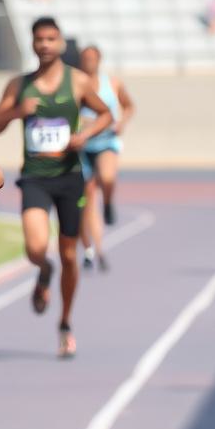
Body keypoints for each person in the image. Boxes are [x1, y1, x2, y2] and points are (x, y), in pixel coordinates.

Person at [0, 18, 113, 362]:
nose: (45, 44)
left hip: (69, 176)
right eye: (39, 39)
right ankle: (44, 269)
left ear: (59, 44)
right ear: (32, 43)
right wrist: (16, 112)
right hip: (35, 178)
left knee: (70, 254)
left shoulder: (78, 82)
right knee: (36, 247)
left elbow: (105, 115)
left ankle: (65, 323)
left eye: (51, 39)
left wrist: (84, 137)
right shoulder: (19, 85)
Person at [74, 44, 132, 265]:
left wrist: (121, 123)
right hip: (83, 145)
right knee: (86, 200)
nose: (88, 62)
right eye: (85, 58)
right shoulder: (76, 84)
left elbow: (129, 106)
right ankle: (93, 249)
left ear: (99, 60)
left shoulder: (113, 84)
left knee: (108, 178)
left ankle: (108, 202)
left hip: (106, 142)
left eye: (92, 58)